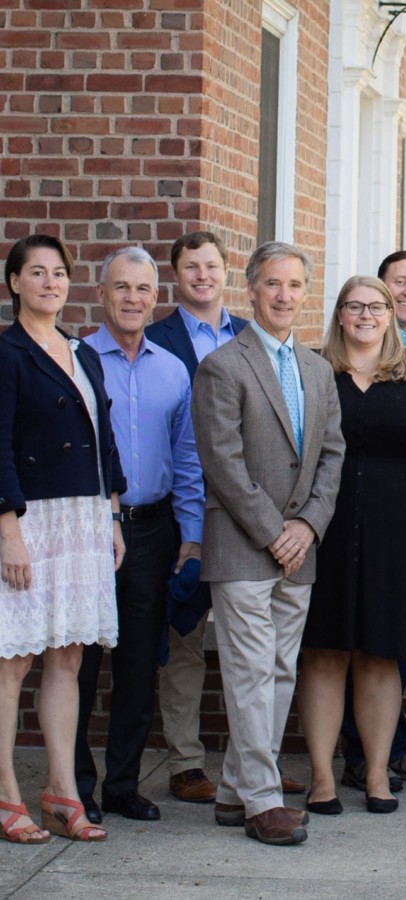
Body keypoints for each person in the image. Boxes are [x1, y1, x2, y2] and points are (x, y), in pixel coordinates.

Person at [191, 241, 345, 846]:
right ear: (251, 291)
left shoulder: (317, 369)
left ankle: (234, 791)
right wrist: (273, 529)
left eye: (294, 285)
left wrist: (306, 526)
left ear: (305, 294)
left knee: (280, 670)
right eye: (272, 284)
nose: (284, 295)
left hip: (298, 548)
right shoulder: (223, 366)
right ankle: (262, 798)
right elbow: (221, 460)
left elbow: (331, 454)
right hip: (242, 544)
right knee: (250, 670)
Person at [298, 276, 406, 816]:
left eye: (377, 306)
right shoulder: (313, 371)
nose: (366, 315)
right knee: (325, 653)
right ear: (340, 314)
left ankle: (376, 774)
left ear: (391, 314)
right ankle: (322, 777)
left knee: (381, 656)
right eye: (355, 306)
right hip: (325, 527)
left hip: (400, 533)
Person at [72, 247, 204, 826]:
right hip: (84, 533)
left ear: (157, 297)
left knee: (135, 667)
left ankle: (122, 785)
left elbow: (190, 460)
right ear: (103, 296)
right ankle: (74, 785)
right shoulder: (74, 359)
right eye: (121, 288)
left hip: (152, 533)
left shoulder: (173, 370)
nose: (132, 299)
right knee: (74, 665)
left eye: (143, 289)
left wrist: (191, 538)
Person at [0, 233, 125, 844]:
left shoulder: (85, 353)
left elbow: (105, 441)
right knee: (13, 660)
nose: (50, 282)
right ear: (15, 283)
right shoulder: (6, 354)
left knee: (69, 656)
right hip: (28, 519)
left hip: (83, 518)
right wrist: (7, 531)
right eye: (37, 272)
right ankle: (6, 796)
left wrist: (112, 513)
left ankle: (61, 791)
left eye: (58, 273)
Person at [337, 250, 406, 794]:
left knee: (390, 647)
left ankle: (386, 752)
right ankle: (358, 757)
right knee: (340, 644)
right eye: (396, 283)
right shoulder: (324, 368)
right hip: (339, 523)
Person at [145, 230, 249, 805]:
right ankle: (186, 762)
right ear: (177, 275)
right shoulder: (155, 340)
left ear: (225, 271)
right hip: (181, 514)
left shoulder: (249, 336)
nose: (202, 276)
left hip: (244, 515)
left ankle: (248, 764)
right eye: (191, 267)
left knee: (249, 643)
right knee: (183, 638)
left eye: (211, 266)